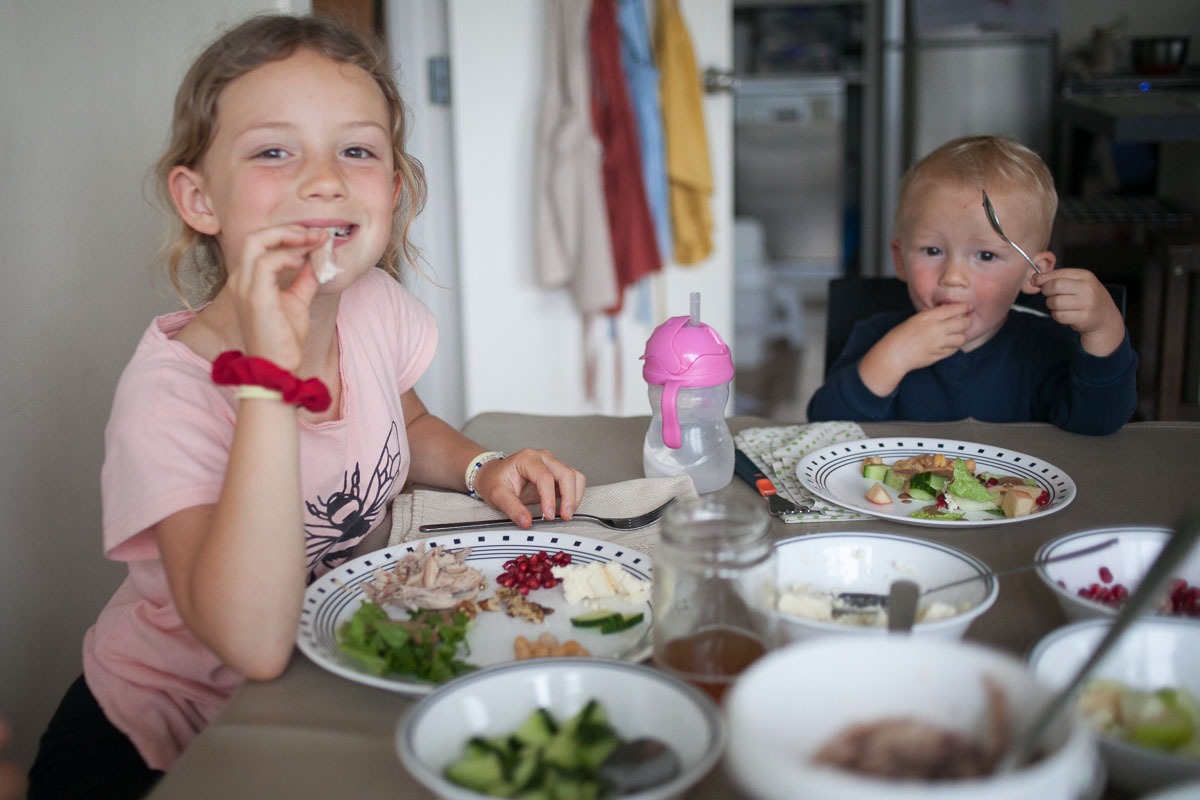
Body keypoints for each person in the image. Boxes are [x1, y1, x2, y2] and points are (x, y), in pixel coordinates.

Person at [27, 15, 586, 799]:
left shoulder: (374, 304)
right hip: (168, 733)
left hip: (323, 674)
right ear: (199, 198)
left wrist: (484, 466)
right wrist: (267, 378)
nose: (323, 179)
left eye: (356, 150)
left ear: (390, 192)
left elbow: (412, 424)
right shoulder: (169, 396)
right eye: (273, 151)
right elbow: (251, 645)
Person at [808, 135, 1137, 435]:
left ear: (1033, 272)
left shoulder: (1043, 346)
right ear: (900, 260)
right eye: (932, 251)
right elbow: (822, 428)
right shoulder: (877, 337)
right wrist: (892, 359)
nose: (953, 276)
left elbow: (1098, 424)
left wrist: (1104, 328)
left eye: (986, 255)